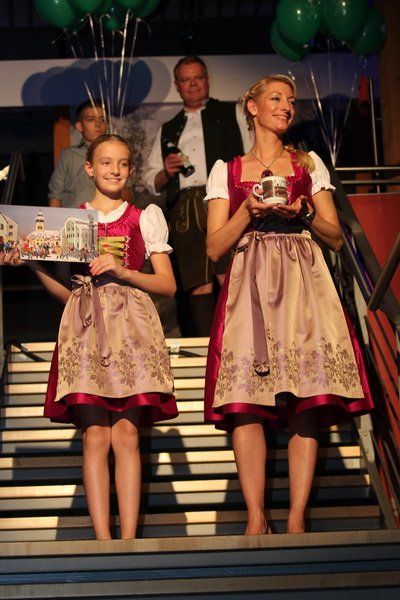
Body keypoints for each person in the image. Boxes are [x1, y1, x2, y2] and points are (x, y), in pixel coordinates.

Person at [203, 74, 374, 536]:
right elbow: (214, 248)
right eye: (276, 98)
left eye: (291, 101)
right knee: (245, 400)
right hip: (250, 286)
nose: (286, 106)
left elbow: (335, 237)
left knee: (304, 398)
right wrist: (247, 211)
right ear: (252, 107)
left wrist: (304, 213)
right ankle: (256, 516)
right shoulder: (228, 170)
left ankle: (297, 516)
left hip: (302, 281)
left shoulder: (307, 163)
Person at [34, 133, 178, 540]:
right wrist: (33, 265)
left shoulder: (143, 217)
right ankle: (103, 541)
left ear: (130, 169)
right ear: (89, 168)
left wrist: (123, 270)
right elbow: (68, 293)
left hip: (132, 327)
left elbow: (167, 285)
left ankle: (128, 540)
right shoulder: (71, 221)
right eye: (106, 162)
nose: (115, 170)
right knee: (95, 435)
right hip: (85, 327)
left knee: (127, 433)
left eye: (123, 163)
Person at [144, 55, 251, 336]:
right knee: (197, 281)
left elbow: (252, 152)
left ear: (207, 80)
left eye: (198, 78)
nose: (192, 84)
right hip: (185, 209)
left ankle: (238, 340)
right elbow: (151, 181)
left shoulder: (232, 112)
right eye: (186, 80)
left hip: (225, 199)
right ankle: (207, 345)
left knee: (229, 274)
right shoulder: (168, 128)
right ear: (177, 85)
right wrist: (167, 171)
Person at [48, 100, 107, 208]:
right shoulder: (69, 155)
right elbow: (55, 194)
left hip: (107, 216)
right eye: (91, 119)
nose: (98, 124)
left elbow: (125, 191)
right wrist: (52, 218)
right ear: (80, 126)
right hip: (75, 216)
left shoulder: (113, 154)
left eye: (102, 119)